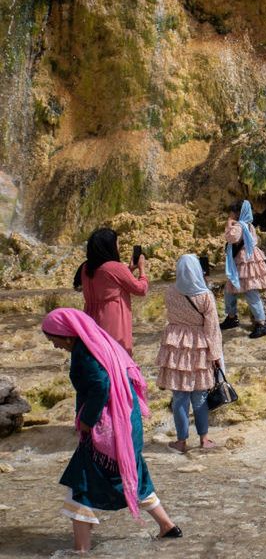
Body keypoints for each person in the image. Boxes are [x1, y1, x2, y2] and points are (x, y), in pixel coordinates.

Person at [41, 308, 180, 552]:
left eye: (54, 340)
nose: (54, 346)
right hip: (127, 422)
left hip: (108, 429)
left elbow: (100, 386)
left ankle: (81, 550)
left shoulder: (85, 353)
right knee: (132, 472)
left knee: (82, 485)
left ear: (67, 335)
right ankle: (167, 526)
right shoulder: (101, 342)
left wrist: (86, 420)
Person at [156, 255, 222, 453]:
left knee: (179, 397)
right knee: (200, 396)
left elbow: (171, 316)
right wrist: (216, 354)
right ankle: (204, 439)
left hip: (176, 346)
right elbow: (212, 328)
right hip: (199, 347)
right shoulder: (205, 296)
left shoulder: (170, 292)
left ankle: (181, 441)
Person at [79, 228, 148, 356]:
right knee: (117, 358)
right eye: (117, 242)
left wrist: (128, 270)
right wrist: (142, 270)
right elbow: (141, 289)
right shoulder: (115, 267)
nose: (118, 246)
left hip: (90, 320)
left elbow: (109, 283)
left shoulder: (85, 267)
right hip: (113, 321)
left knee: (99, 358)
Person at [220, 200, 266, 339]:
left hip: (244, 261)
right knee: (230, 290)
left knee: (250, 291)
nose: (230, 213)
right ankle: (232, 317)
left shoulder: (239, 226)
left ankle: (262, 323)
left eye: (232, 211)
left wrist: (229, 223)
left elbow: (232, 238)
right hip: (245, 260)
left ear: (237, 213)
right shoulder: (248, 225)